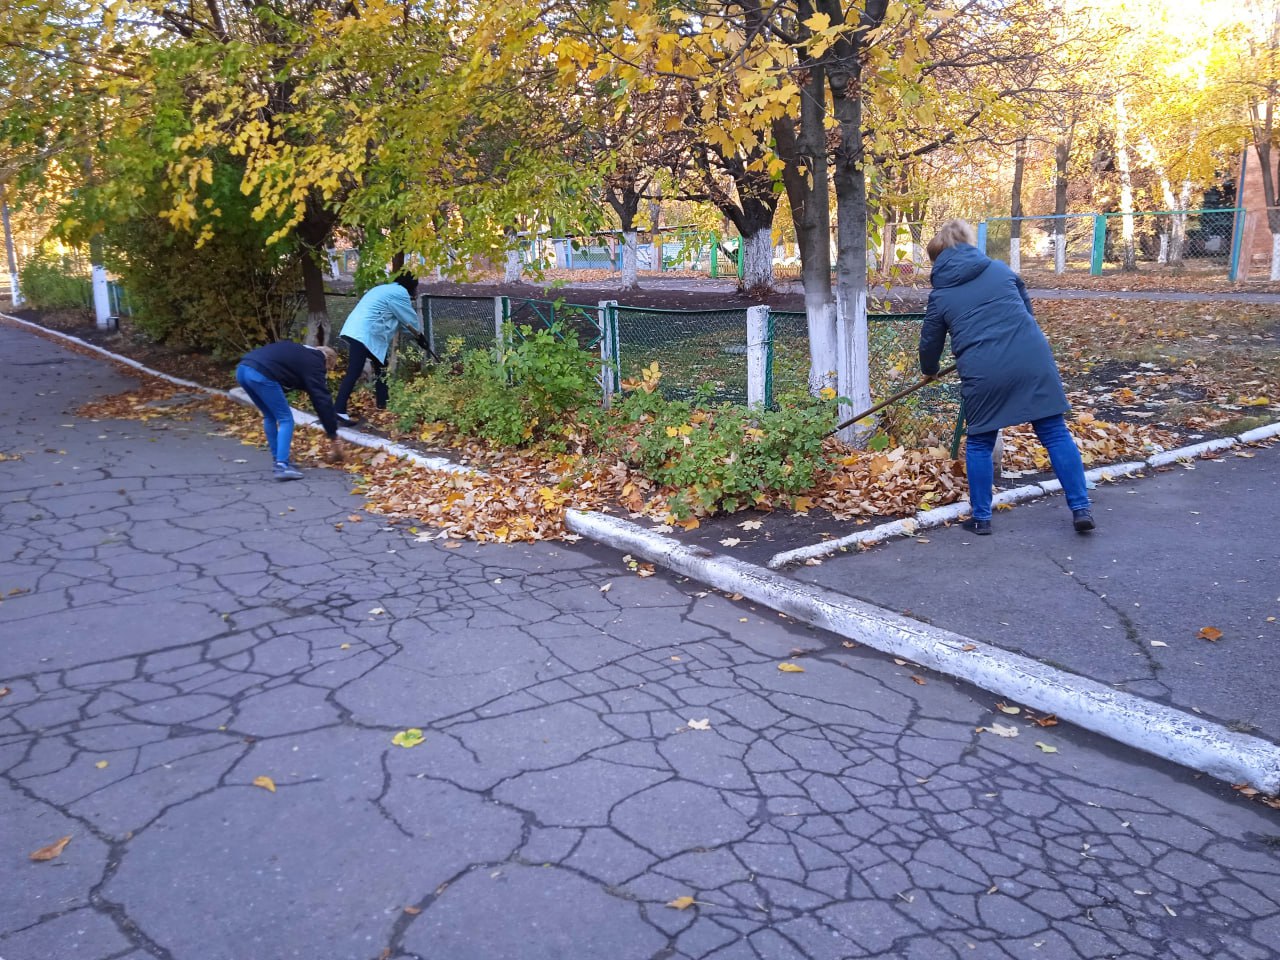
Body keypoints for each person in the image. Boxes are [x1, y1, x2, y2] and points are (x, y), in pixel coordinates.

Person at [919, 219, 1093, 536]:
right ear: (969, 245)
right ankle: (1081, 508)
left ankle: (981, 518)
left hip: (984, 370)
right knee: (1054, 433)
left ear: (938, 259)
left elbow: (930, 343)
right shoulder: (1001, 270)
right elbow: (1026, 313)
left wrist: (929, 370)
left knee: (980, 442)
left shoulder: (941, 293)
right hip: (1032, 358)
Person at [235, 341, 343, 481]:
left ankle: (279, 459)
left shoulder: (301, 353)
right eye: (328, 368)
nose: (326, 372)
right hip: (261, 374)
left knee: (270, 416)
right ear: (327, 360)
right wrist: (332, 433)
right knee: (286, 419)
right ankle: (282, 466)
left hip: (243, 369)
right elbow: (321, 400)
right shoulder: (316, 362)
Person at [334, 272, 423, 424]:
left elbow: (403, 323)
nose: (416, 291)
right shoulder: (400, 293)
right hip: (364, 333)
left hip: (356, 329)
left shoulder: (384, 289)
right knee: (354, 371)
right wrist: (420, 336)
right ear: (411, 286)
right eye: (416, 287)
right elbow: (408, 319)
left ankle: (383, 404)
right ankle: (339, 409)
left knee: (381, 367)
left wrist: (417, 336)